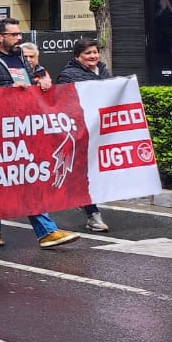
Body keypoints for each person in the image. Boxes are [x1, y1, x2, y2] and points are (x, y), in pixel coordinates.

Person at [0, 19, 79, 249]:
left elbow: (35, 75)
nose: (19, 38)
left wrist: (44, 79)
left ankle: (46, 231)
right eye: (14, 34)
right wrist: (8, 92)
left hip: (22, 129)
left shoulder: (20, 57)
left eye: (19, 34)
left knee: (27, 179)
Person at [56, 37, 113, 233]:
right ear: (77, 56)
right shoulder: (68, 76)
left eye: (95, 52)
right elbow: (63, 103)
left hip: (100, 131)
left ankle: (83, 201)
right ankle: (93, 213)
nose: (93, 56)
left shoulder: (103, 72)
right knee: (84, 174)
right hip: (80, 132)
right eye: (88, 53)